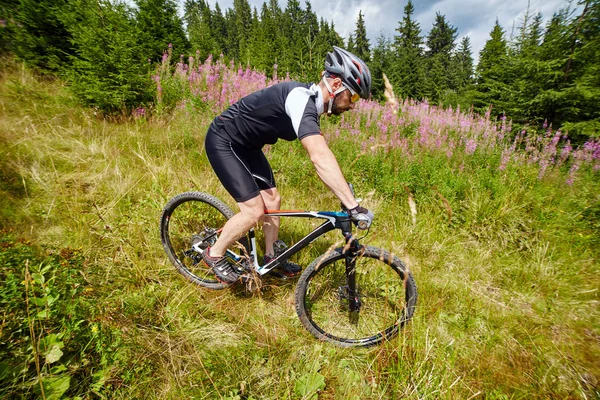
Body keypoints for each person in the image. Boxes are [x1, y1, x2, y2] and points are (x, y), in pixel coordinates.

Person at [202, 46, 375, 283]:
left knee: (272, 200)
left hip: (247, 146)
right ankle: (214, 253)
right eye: (353, 96)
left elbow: (322, 151)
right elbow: (318, 155)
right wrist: (353, 205)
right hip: (224, 140)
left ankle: (271, 258)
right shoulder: (300, 99)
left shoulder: (311, 104)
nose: (353, 105)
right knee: (253, 211)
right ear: (336, 86)